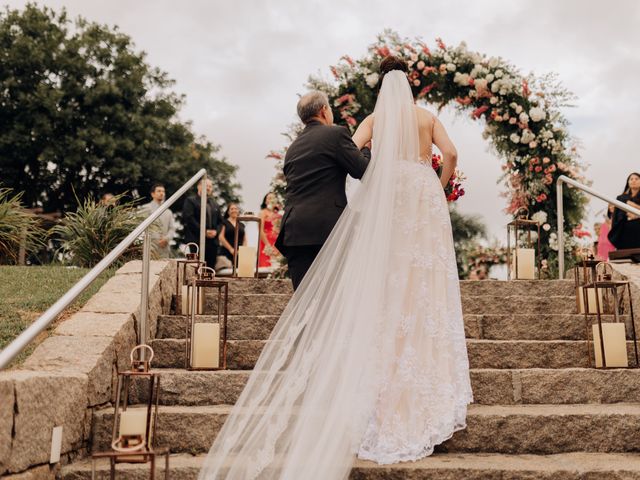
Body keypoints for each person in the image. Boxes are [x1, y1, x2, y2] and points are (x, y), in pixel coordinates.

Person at [199, 57, 471, 479]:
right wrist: (435, 183)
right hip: (421, 195)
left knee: (387, 275)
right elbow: (451, 153)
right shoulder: (427, 117)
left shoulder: (374, 119)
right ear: (410, 86)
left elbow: (356, 155)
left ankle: (377, 383)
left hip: (390, 196)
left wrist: (384, 176)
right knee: (423, 278)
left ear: (382, 87)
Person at [274, 90, 371, 289]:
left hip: (294, 232)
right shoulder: (335, 134)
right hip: (326, 230)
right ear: (324, 110)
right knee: (331, 301)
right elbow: (363, 171)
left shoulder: (293, 148)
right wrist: (366, 148)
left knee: (303, 303)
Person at [181, 178, 223, 269]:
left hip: (212, 243)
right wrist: (204, 231)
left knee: (210, 269)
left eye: (210, 186)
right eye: (206, 186)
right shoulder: (190, 201)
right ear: (198, 186)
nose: (208, 188)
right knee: (195, 269)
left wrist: (216, 232)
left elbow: (220, 222)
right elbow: (189, 219)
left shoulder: (215, 204)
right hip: (196, 241)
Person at [140, 183, 176, 258]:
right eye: (159, 191)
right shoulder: (145, 208)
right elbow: (139, 227)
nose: (161, 193)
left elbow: (172, 228)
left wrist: (167, 239)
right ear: (153, 194)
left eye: (163, 191)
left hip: (164, 248)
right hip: (149, 248)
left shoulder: (168, 212)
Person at [608, 172, 640, 250]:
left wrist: (633, 206)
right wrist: (612, 209)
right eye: (631, 179)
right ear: (628, 182)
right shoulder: (621, 198)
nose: (633, 181)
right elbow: (616, 214)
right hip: (625, 231)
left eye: (636, 179)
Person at [258, 192, 281, 267]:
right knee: (266, 266)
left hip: (277, 243)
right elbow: (260, 230)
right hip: (266, 242)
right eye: (269, 198)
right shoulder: (263, 213)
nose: (271, 200)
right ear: (265, 201)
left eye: (273, 198)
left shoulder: (279, 214)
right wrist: (268, 245)